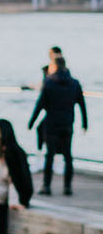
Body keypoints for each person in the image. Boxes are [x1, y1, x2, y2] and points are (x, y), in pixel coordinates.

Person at [28, 53, 87, 196]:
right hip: (67, 123)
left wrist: (32, 121)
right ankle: (67, 187)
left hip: (52, 124)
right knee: (68, 155)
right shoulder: (74, 83)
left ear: (54, 66)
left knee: (50, 155)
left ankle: (46, 186)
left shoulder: (49, 83)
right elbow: (82, 104)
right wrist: (85, 123)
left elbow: (40, 104)